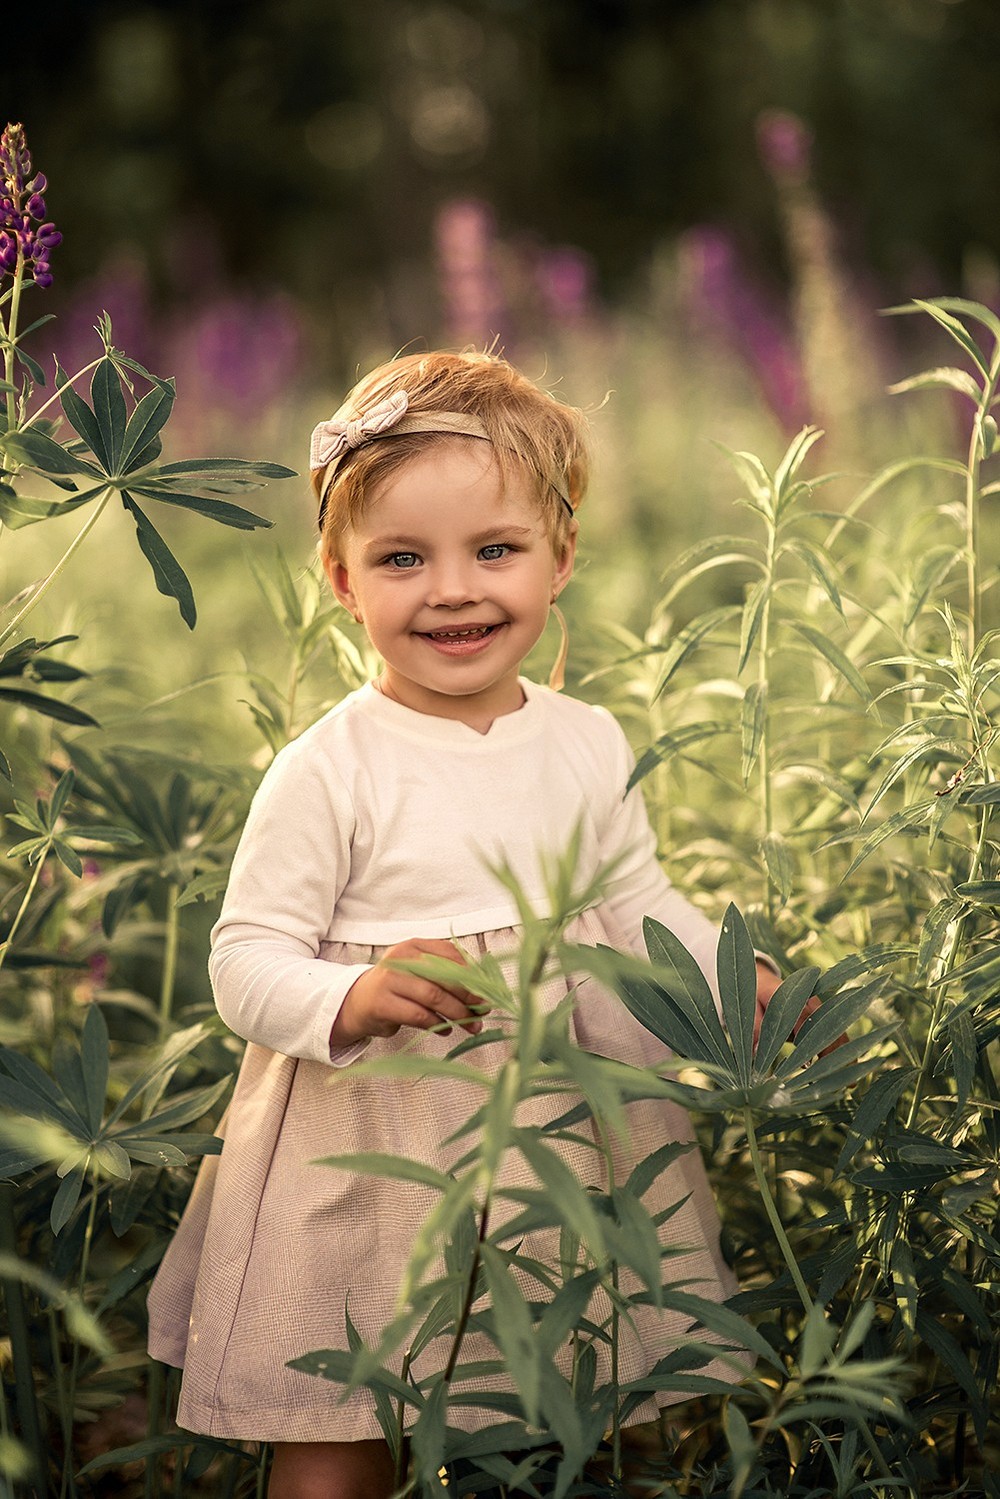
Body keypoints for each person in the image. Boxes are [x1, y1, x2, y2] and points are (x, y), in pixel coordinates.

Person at [146, 350, 783, 1499]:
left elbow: (634, 900)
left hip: (567, 1128)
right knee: (344, 1401)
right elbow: (243, 960)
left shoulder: (585, 737)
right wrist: (348, 994)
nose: (452, 589)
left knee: (605, 1358)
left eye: (495, 549)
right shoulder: (328, 767)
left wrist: (728, 982)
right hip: (371, 1141)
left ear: (562, 558)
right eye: (401, 558)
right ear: (341, 582)